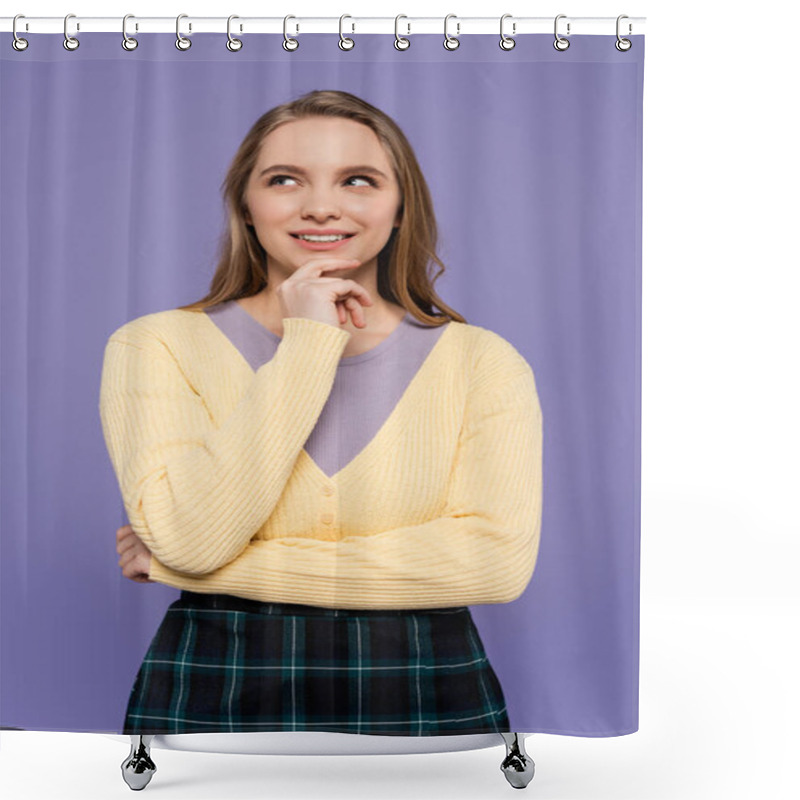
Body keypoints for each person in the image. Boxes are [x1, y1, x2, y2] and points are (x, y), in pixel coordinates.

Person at [100, 89, 543, 737]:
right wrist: (309, 345)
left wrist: (178, 566)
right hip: (212, 688)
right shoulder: (155, 346)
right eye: (284, 180)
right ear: (246, 208)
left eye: (358, 180)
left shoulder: (482, 362)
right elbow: (194, 535)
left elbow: (494, 565)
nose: (321, 206)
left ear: (398, 209)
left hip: (425, 689)